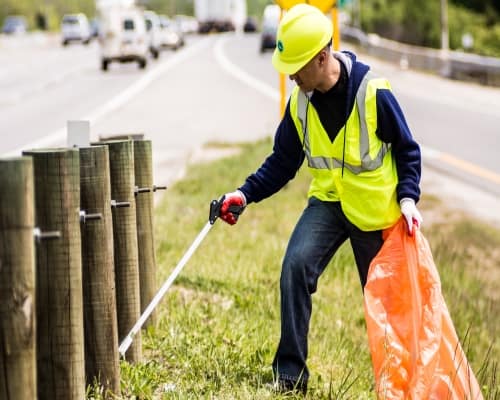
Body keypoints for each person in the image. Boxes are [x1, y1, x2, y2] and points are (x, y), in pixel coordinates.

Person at [217, 3, 423, 394]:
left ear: (322, 56)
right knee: (295, 266)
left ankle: (401, 384)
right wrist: (244, 193)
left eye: (297, 65)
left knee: (386, 302)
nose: (291, 75)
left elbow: (408, 150)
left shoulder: (372, 92)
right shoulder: (299, 103)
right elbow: (282, 162)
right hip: (328, 204)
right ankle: (290, 376)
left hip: (375, 213)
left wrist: (408, 199)